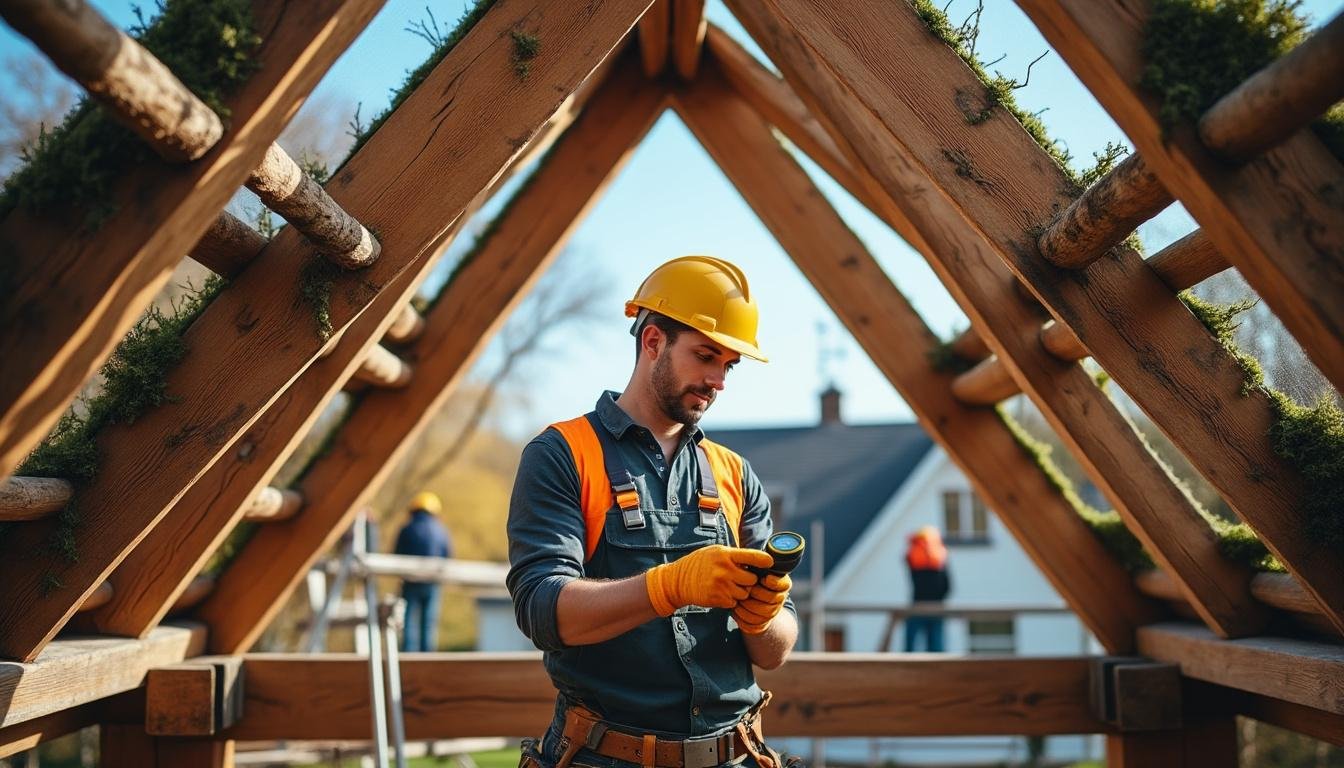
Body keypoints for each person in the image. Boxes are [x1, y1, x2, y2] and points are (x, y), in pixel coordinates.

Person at [507, 256, 800, 768]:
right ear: (653, 341)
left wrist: (765, 615)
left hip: (738, 755)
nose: (718, 380)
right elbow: (542, 610)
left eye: (728, 364)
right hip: (601, 756)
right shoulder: (563, 454)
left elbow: (773, 653)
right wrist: (669, 587)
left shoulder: (734, 474)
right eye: (706, 355)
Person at [393, 491, 452, 652]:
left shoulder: (406, 529)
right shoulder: (442, 531)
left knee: (408, 621)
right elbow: (448, 555)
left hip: (410, 582)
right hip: (432, 583)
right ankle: (428, 657)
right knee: (428, 623)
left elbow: (397, 554)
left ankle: (408, 656)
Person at [903, 525, 951, 653]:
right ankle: (937, 669)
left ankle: (906, 667)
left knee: (910, 645)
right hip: (937, 606)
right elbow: (947, 586)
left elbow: (905, 559)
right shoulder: (940, 555)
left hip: (917, 604)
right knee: (936, 646)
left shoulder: (913, 554)